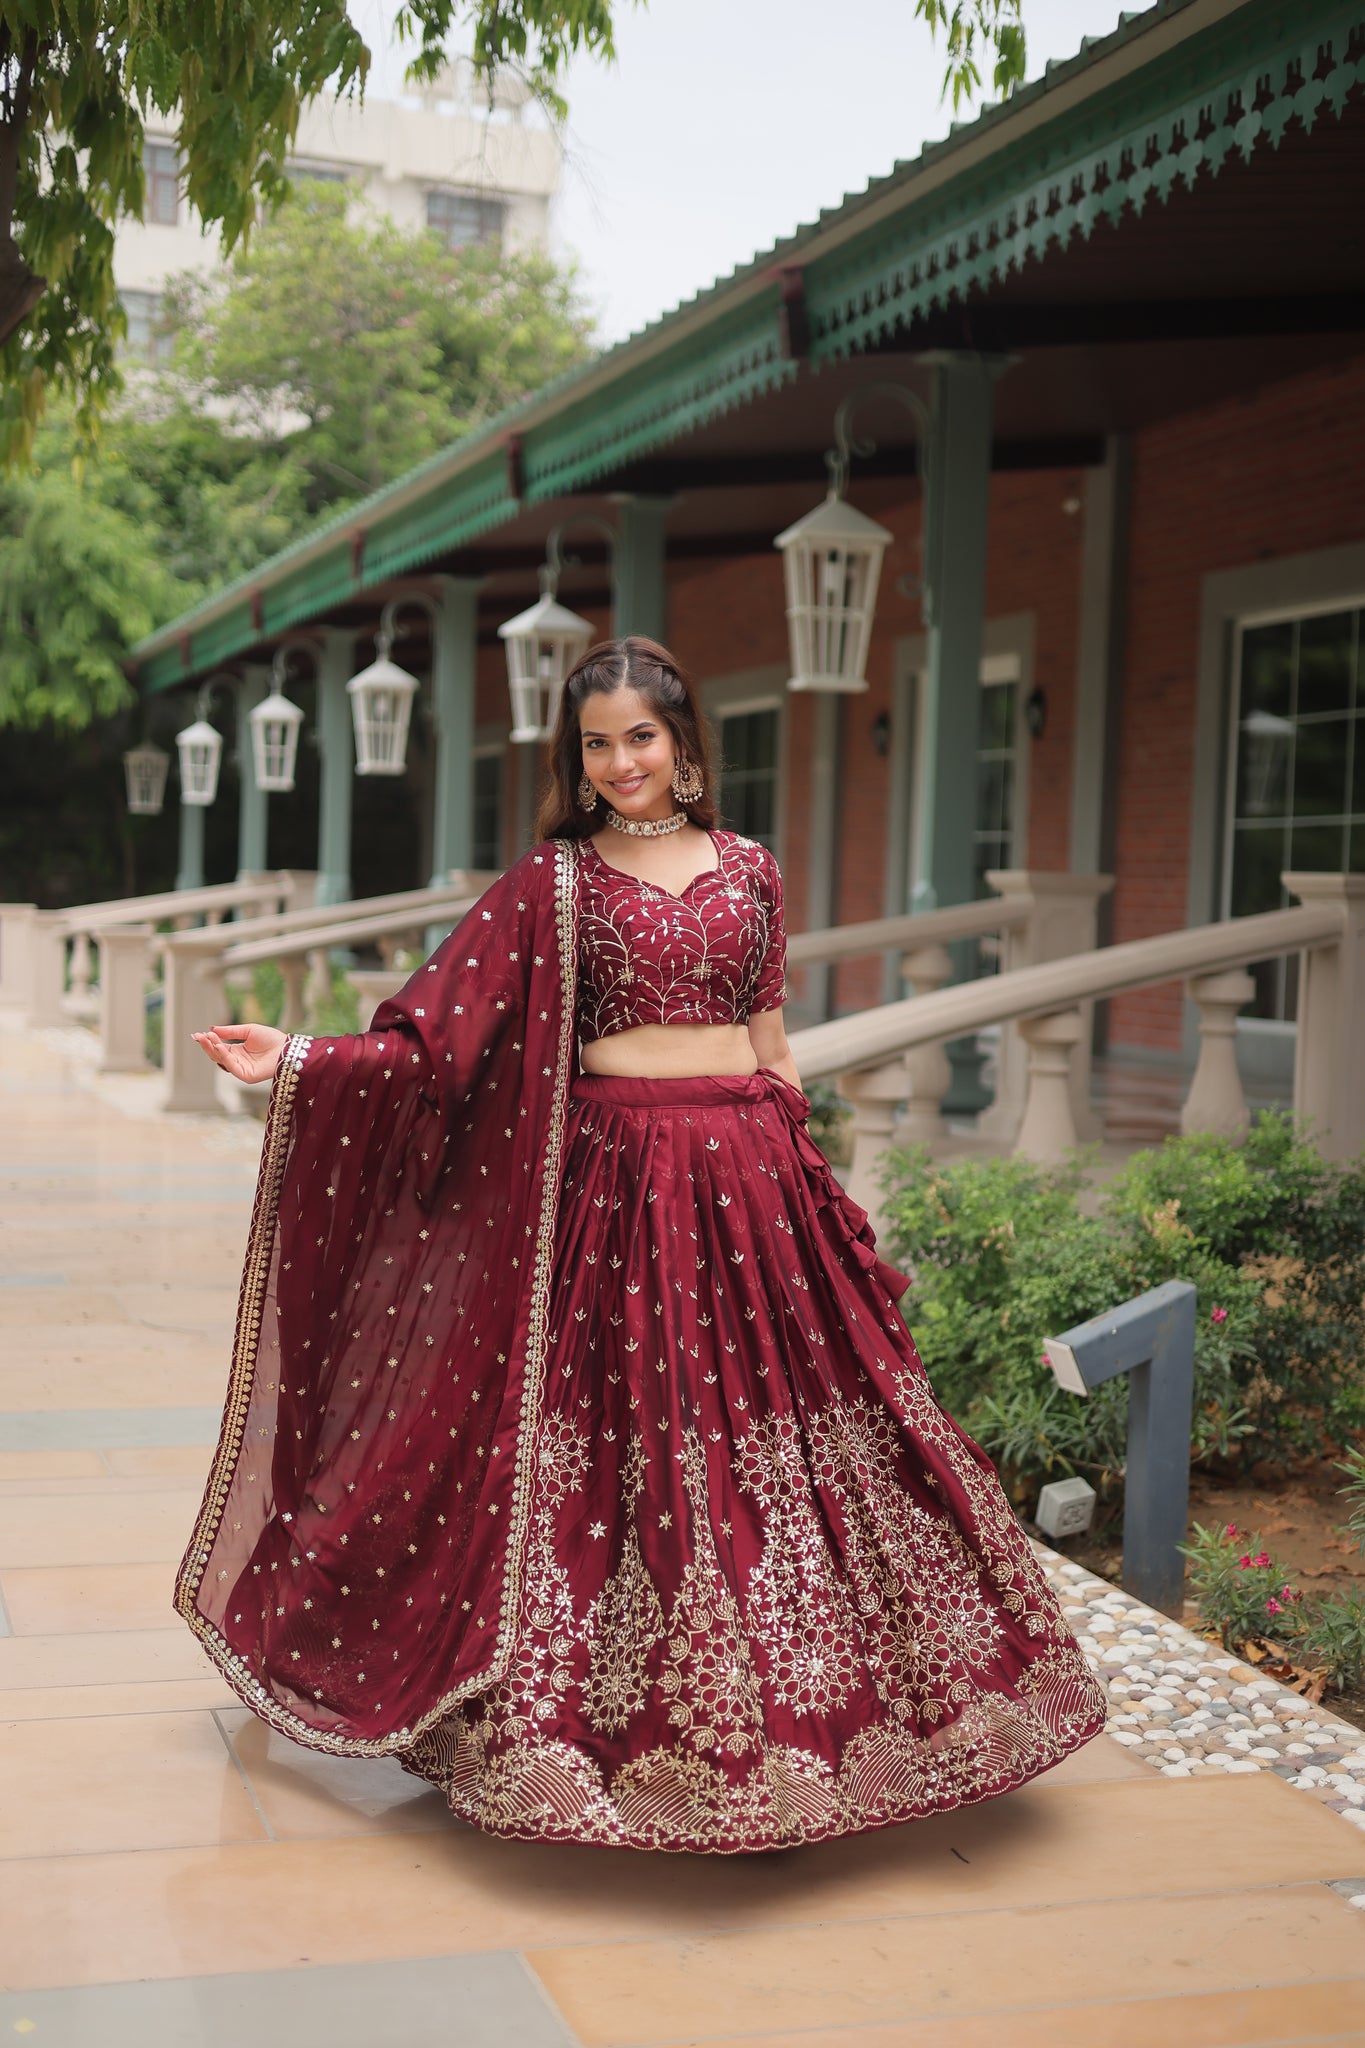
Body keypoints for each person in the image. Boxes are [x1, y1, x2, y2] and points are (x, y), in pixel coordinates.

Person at [180, 635, 1105, 1854]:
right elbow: (436, 1039)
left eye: (642, 736)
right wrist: (299, 1058)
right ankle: (595, 1741)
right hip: (619, 1194)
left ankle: (846, 1734)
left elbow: (770, 1043)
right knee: (637, 1447)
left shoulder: (754, 872)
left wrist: (808, 1183)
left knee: (806, 1440)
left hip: (755, 1179)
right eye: (597, 741)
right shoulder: (553, 885)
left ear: (685, 742)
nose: (621, 761)